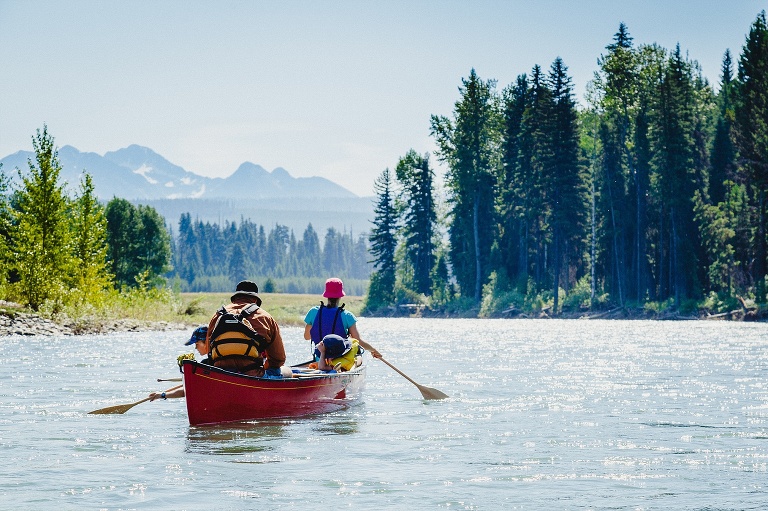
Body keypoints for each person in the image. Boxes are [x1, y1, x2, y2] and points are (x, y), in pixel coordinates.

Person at [206, 280, 286, 378]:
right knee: (279, 371)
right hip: (253, 375)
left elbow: (208, 351)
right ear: (255, 300)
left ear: (235, 299)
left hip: (221, 376)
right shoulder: (265, 317)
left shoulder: (217, 316)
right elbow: (278, 359)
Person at [303, 277, 381, 359]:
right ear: (340, 296)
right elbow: (358, 342)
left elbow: (307, 337)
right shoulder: (348, 316)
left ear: (326, 295)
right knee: (359, 357)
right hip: (340, 362)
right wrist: (373, 350)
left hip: (319, 360)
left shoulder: (313, 312)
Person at [148, 325, 209, 401]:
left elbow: (188, 390)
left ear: (206, 342)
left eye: (197, 344)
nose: (196, 348)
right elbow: (189, 387)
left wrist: (163, 394)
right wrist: (162, 393)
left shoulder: (208, 364)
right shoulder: (210, 362)